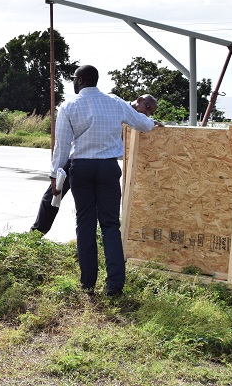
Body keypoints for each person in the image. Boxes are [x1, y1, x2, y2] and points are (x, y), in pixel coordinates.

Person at [49, 65, 158, 296]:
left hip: (82, 169)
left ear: (79, 80)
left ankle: (87, 283)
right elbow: (141, 122)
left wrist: (55, 174)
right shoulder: (115, 102)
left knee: (85, 223)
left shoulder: (69, 106)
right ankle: (114, 286)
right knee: (110, 225)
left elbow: (62, 147)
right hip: (108, 168)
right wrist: (153, 123)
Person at [31, 93, 162, 235]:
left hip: (101, 165)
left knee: (93, 208)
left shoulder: (128, 112)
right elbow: (62, 142)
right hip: (79, 158)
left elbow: (142, 122)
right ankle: (37, 232)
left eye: (150, 112)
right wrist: (56, 170)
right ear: (139, 100)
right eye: (147, 108)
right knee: (54, 195)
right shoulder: (117, 104)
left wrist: (151, 122)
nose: (146, 113)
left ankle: (94, 239)